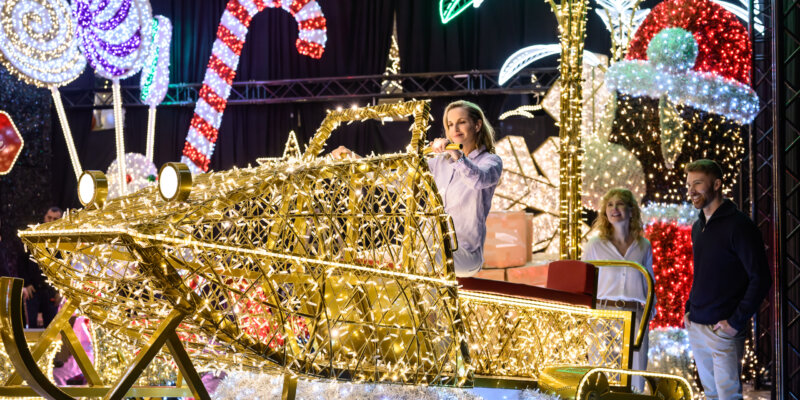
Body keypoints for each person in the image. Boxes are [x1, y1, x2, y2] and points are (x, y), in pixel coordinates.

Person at [331, 100, 502, 277]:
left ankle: (428, 297)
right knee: (378, 254)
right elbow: (396, 181)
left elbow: (478, 180)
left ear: (477, 125)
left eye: (462, 122)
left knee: (422, 255)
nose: (455, 129)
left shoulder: (490, 161)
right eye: (450, 124)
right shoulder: (439, 162)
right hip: (426, 246)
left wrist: (456, 155)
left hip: (465, 256)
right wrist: (356, 160)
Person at [684, 159, 771, 400]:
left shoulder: (739, 225)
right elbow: (703, 273)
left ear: (717, 184)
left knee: (728, 396)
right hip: (697, 325)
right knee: (711, 395)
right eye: (689, 185)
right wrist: (689, 309)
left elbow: (761, 278)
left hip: (723, 329)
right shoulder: (697, 226)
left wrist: (735, 322)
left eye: (698, 183)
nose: (691, 190)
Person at [582, 188, 655, 392]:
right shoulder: (595, 245)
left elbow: (650, 280)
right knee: (603, 374)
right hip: (603, 315)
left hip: (635, 315)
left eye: (620, 204)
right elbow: (584, 281)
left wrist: (649, 312)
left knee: (636, 375)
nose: (614, 209)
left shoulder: (643, 246)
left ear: (631, 211)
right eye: (610, 205)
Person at [20, 206, 63, 328]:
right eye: (49, 217)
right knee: (31, 327)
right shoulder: (33, 236)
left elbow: (65, 267)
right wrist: (26, 283)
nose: (51, 221)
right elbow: (22, 262)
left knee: (52, 328)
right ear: (44, 217)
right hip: (33, 289)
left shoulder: (63, 240)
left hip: (51, 291)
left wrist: (60, 291)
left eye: (55, 219)